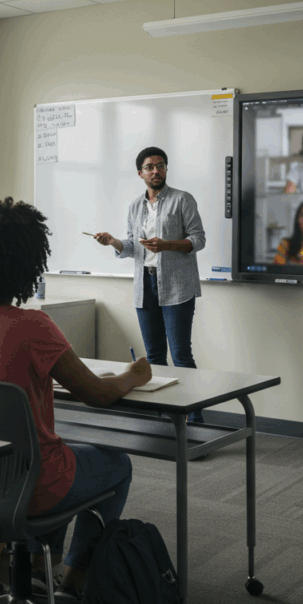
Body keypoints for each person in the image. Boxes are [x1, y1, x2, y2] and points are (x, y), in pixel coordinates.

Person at [0, 197, 152, 604]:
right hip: (32, 489)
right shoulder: (32, 326)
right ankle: (74, 580)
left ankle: (36, 569)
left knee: (46, 454)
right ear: (26, 263)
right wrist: (131, 376)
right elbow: (97, 394)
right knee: (115, 464)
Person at [92, 147, 205, 421]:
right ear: (140, 172)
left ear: (166, 169)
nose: (156, 171)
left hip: (177, 287)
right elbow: (132, 246)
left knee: (181, 356)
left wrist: (167, 245)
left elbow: (198, 239)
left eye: (161, 165)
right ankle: (164, 416)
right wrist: (114, 242)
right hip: (146, 286)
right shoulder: (135, 206)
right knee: (153, 356)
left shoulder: (182, 200)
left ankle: (195, 418)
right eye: (150, 166)